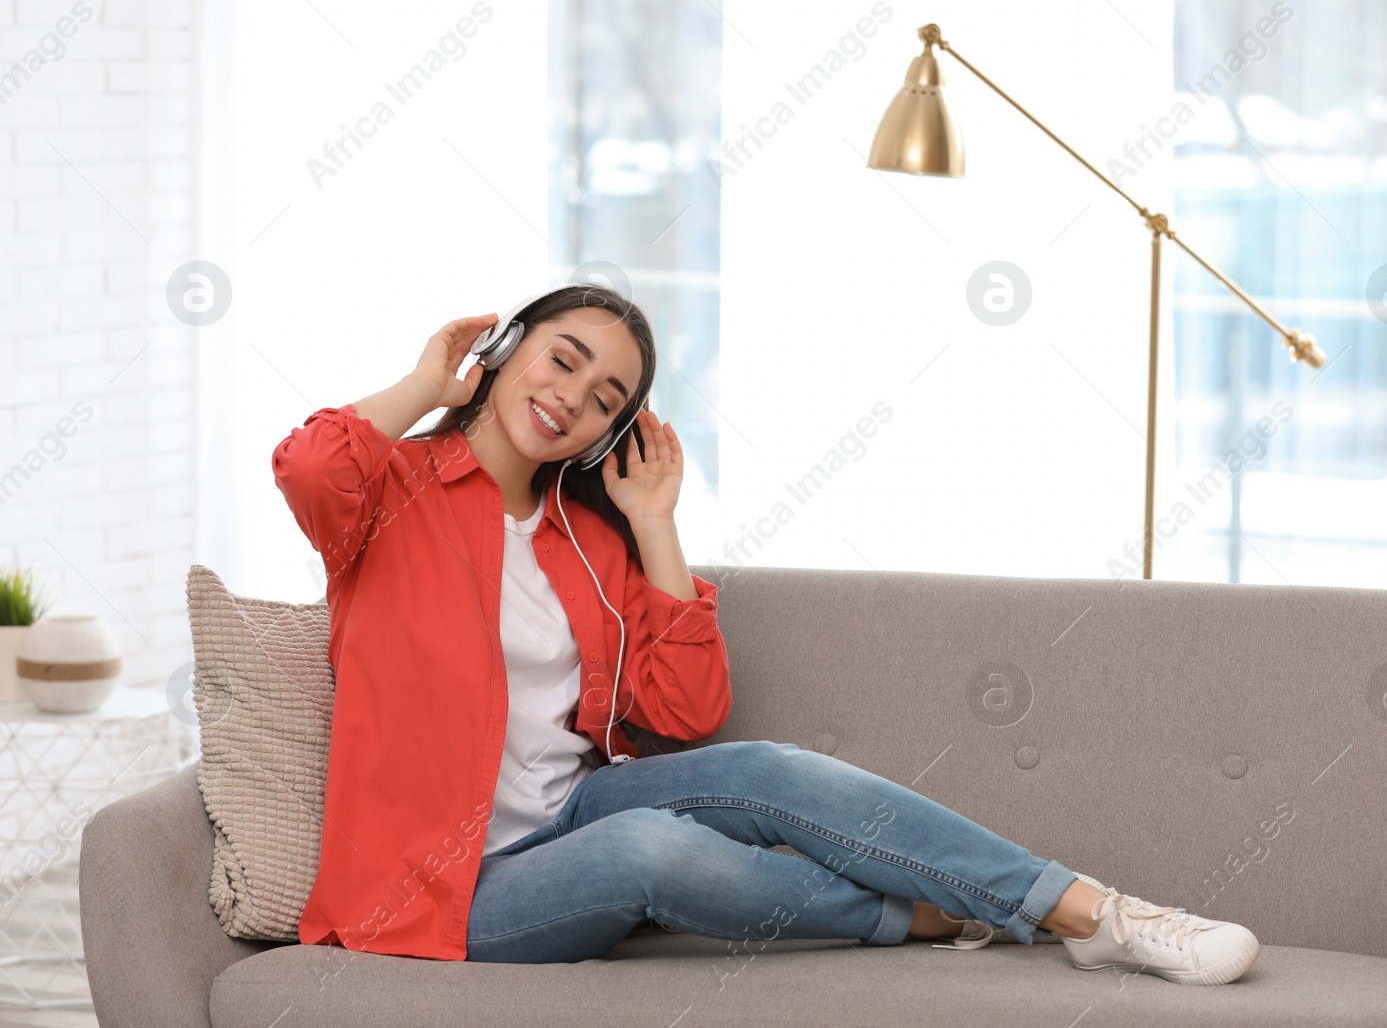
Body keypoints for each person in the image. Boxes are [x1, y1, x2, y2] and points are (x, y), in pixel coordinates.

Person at [271, 284, 1261, 986]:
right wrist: (424, 384)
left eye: (606, 396)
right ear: (506, 346)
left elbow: (685, 712)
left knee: (772, 768)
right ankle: (919, 913)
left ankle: (1098, 913)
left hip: (569, 810)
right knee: (650, 850)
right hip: (438, 892)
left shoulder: (587, 540)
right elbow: (310, 469)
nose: (573, 395)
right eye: (561, 358)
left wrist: (654, 526)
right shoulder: (391, 493)